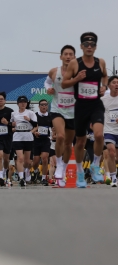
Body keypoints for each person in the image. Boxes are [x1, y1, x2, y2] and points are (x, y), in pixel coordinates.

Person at [62, 32, 108, 188]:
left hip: (96, 104)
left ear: (95, 47)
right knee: (80, 142)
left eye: (92, 45)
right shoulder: (75, 63)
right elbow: (64, 84)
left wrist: (104, 87)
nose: (89, 47)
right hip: (81, 106)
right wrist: (76, 79)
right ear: (81, 46)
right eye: (86, 45)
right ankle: (80, 172)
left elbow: (105, 76)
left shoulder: (100, 62)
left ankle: (95, 165)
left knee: (99, 134)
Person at [45, 45, 76, 187]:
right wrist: (49, 89)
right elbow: (47, 82)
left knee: (69, 144)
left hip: (73, 111)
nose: (68, 56)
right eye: (66, 54)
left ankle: (63, 167)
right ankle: (58, 163)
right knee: (61, 136)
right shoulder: (54, 71)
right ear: (61, 56)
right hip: (57, 109)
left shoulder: (79, 73)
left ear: (74, 57)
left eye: (71, 54)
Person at [11, 96, 37, 187]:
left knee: (27, 161)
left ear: (27, 103)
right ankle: (21, 178)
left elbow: (36, 125)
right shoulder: (14, 114)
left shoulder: (31, 113)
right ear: (18, 103)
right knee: (20, 158)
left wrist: (29, 120)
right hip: (17, 137)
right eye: (21, 102)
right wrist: (12, 126)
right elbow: (11, 126)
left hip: (28, 137)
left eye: (24, 102)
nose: (23, 104)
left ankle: (26, 171)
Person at [101, 75, 118, 187]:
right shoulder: (103, 100)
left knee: (116, 157)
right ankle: (113, 177)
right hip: (109, 130)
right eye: (114, 82)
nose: (116, 84)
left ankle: (110, 171)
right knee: (111, 152)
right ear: (109, 85)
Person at [32, 99, 52, 186]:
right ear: (39, 106)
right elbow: (31, 128)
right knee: (35, 161)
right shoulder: (34, 116)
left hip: (46, 140)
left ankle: (44, 178)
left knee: (45, 158)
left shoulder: (50, 116)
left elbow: (54, 128)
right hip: (36, 140)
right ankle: (36, 171)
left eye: (45, 105)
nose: (44, 106)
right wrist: (34, 132)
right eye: (42, 105)